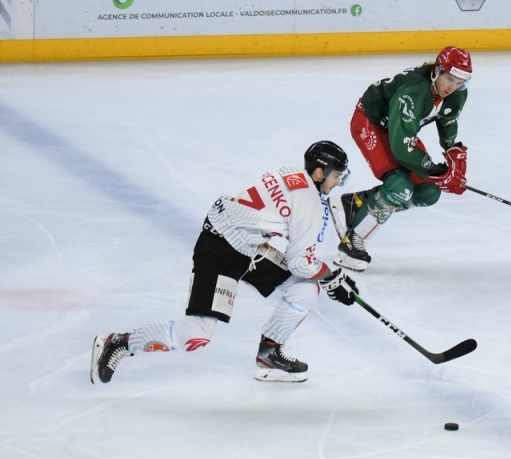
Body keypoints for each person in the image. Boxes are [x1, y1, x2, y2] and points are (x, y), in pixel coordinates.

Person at [90, 141, 359, 384]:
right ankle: (119, 343)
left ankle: (269, 354)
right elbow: (301, 263)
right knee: (195, 337)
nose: (338, 183)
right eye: (336, 176)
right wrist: (330, 275)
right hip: (220, 251)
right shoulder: (309, 204)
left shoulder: (288, 172)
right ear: (319, 172)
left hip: (246, 246)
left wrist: (325, 276)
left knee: (304, 289)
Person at [328, 46, 472, 271]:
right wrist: (435, 169)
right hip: (371, 122)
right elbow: (401, 148)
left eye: (460, 82)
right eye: (449, 79)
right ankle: (352, 241)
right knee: (400, 187)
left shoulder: (457, 94)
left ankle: (356, 204)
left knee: (429, 192)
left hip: (400, 129)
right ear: (438, 70)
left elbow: (448, 124)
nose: (452, 87)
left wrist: (455, 162)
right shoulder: (413, 90)